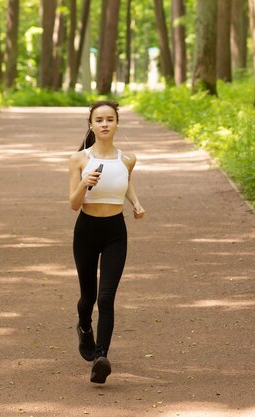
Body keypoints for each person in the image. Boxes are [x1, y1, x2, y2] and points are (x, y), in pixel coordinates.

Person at [68, 100, 145, 384]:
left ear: (116, 124)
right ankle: (84, 328)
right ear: (91, 125)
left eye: (109, 119)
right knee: (88, 297)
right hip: (86, 230)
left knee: (106, 297)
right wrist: (83, 183)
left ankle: (101, 358)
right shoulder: (78, 160)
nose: (104, 124)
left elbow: (126, 181)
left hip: (115, 232)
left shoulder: (128, 159)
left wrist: (136, 203)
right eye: (99, 119)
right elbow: (73, 205)